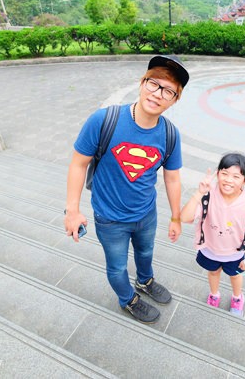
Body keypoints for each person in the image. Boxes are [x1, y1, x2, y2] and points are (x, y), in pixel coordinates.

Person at [65, 55, 189, 324]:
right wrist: (72, 211)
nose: (158, 94)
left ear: (175, 99)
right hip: (110, 219)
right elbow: (78, 164)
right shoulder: (103, 120)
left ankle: (145, 281)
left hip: (146, 214)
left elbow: (172, 179)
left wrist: (176, 217)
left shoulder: (170, 134)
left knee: (146, 253)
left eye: (168, 91)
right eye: (154, 84)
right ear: (142, 82)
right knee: (117, 266)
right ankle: (128, 299)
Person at [180, 152, 245, 317]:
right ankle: (214, 294)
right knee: (213, 272)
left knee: (235, 276)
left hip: (235, 253)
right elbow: (184, 217)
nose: (228, 180)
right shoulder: (208, 196)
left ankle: (237, 297)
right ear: (217, 174)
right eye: (224, 173)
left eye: (236, 176)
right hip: (210, 248)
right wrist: (199, 193)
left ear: (244, 181)